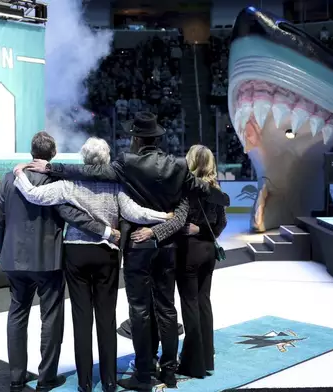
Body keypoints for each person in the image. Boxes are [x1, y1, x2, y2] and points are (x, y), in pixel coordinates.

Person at [25, 112, 230, 391]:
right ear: (157, 138)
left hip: (137, 247)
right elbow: (202, 190)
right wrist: (223, 198)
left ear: (136, 138)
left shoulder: (127, 163)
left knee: (140, 310)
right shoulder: (179, 166)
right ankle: (169, 371)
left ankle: (144, 373)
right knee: (167, 309)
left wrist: (53, 168)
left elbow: (90, 172)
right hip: (168, 247)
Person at [12, 137, 176, 392]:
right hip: (106, 256)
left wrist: (19, 173)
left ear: (84, 159)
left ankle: (85, 382)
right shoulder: (115, 186)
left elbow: (34, 196)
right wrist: (163, 216)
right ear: (106, 159)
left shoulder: (68, 184)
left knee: (82, 319)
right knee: (106, 319)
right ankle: (109, 381)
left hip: (76, 255)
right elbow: (135, 212)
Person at [0, 132, 117, 392]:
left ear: (31, 152)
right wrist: (104, 231)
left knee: (17, 315)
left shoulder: (8, 179)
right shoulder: (59, 180)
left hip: (14, 258)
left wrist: (2, 252)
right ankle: (45, 377)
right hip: (48, 260)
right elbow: (70, 215)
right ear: (53, 154)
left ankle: (16, 376)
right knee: (50, 317)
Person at [176, 145, 227, 379]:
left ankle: (193, 362)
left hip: (190, 252)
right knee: (203, 302)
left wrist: (196, 229)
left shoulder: (188, 187)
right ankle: (207, 356)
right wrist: (206, 231)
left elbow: (180, 221)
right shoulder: (216, 187)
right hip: (208, 252)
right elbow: (221, 223)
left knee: (190, 304)